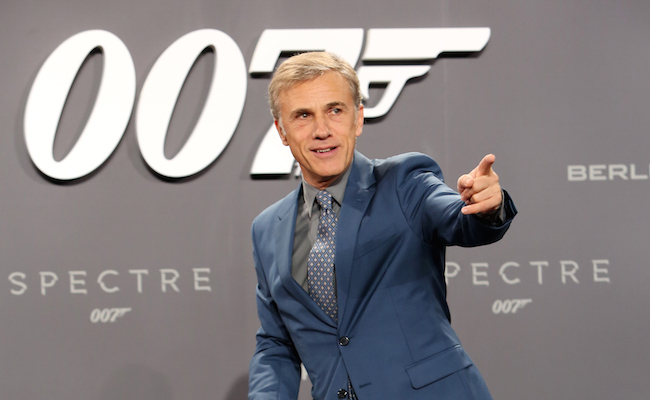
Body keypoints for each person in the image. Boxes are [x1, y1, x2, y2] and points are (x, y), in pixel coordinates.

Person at [248, 51, 517, 400]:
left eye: (335, 110)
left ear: (358, 118)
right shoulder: (267, 229)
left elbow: (458, 219)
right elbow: (277, 343)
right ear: (281, 131)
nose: (322, 130)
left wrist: (486, 207)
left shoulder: (404, 182)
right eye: (303, 115)